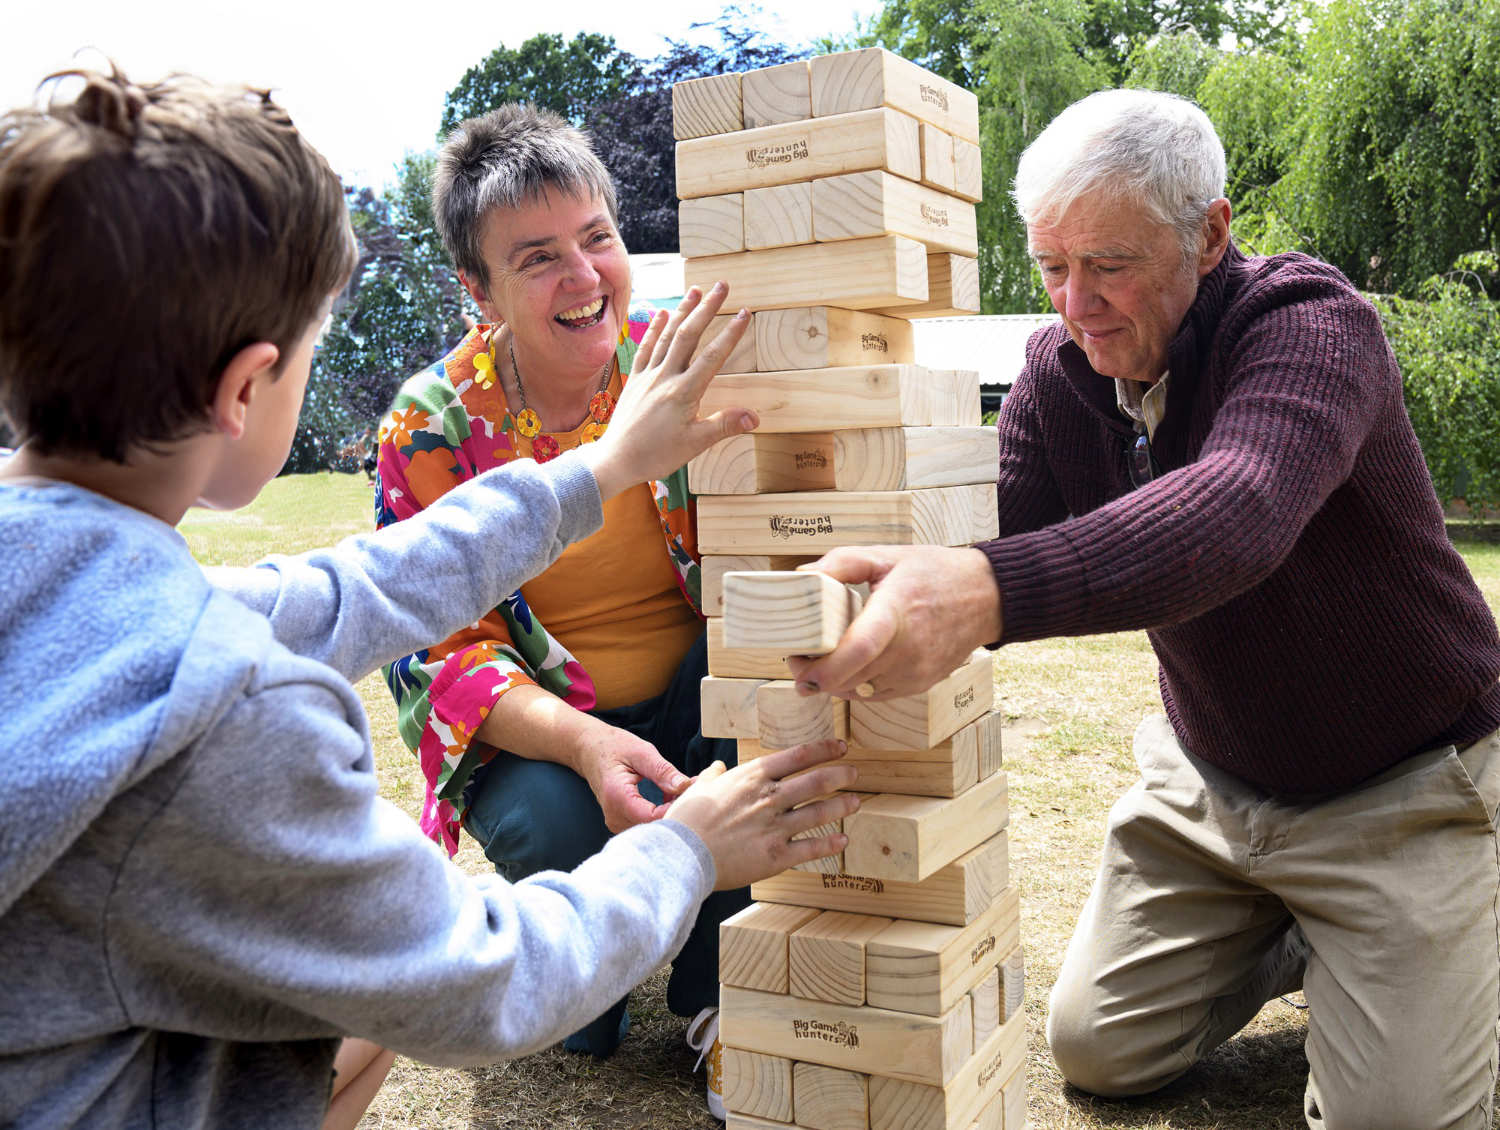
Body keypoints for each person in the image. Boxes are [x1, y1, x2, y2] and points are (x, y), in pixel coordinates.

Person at [0, 66, 862, 1130]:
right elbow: (478, 984)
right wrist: (690, 848)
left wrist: (601, 468)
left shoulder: (70, 577)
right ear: (243, 389)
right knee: (399, 993)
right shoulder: (233, 714)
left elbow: (343, 586)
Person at [789, 88, 1500, 1129]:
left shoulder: (1313, 326)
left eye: (1110, 265)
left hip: (1405, 787)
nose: (1075, 305)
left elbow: (1241, 507)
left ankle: (1445, 921)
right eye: (1051, 267)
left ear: (1209, 233)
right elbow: (983, 529)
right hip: (1214, 786)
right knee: (1097, 1047)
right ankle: (1308, 933)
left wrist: (987, 591)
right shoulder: (1058, 374)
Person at [374, 103, 742, 1092]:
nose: (584, 278)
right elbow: (443, 652)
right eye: (537, 258)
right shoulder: (431, 424)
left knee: (758, 690)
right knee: (558, 840)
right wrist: (588, 743)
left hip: (687, 691)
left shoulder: (673, 361)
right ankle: (586, 975)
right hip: (549, 730)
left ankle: (719, 991)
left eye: (598, 239)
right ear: (476, 290)